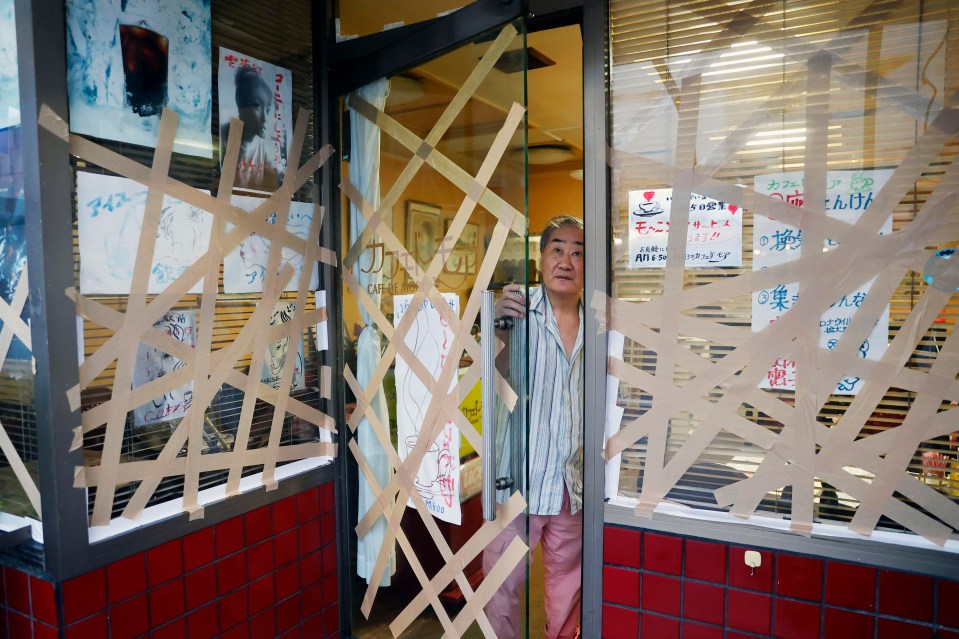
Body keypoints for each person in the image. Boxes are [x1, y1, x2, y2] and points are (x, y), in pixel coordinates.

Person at [483, 215, 585, 639]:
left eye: (578, 253)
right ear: (541, 259)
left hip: (571, 483)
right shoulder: (516, 308)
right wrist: (496, 325)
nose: (567, 260)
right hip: (518, 480)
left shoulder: (598, 323)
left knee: (567, 595)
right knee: (500, 591)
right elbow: (492, 375)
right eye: (557, 249)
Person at [220, 65, 283, 192]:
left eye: (269, 108)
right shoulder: (223, 137)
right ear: (240, 107)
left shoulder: (262, 146)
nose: (265, 118)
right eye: (256, 106)